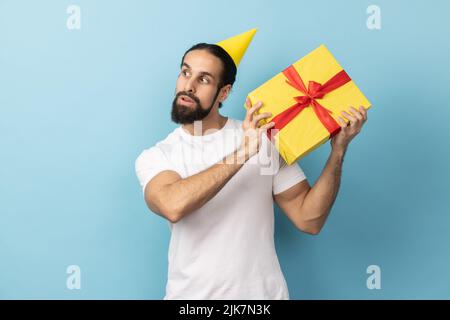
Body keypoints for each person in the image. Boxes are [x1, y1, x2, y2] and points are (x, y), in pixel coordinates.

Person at [135, 29, 368, 299]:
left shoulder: (263, 138)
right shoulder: (157, 155)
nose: (189, 86)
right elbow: (172, 205)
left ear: (224, 92)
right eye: (185, 72)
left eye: (204, 79)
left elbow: (309, 219)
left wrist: (338, 151)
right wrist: (244, 152)